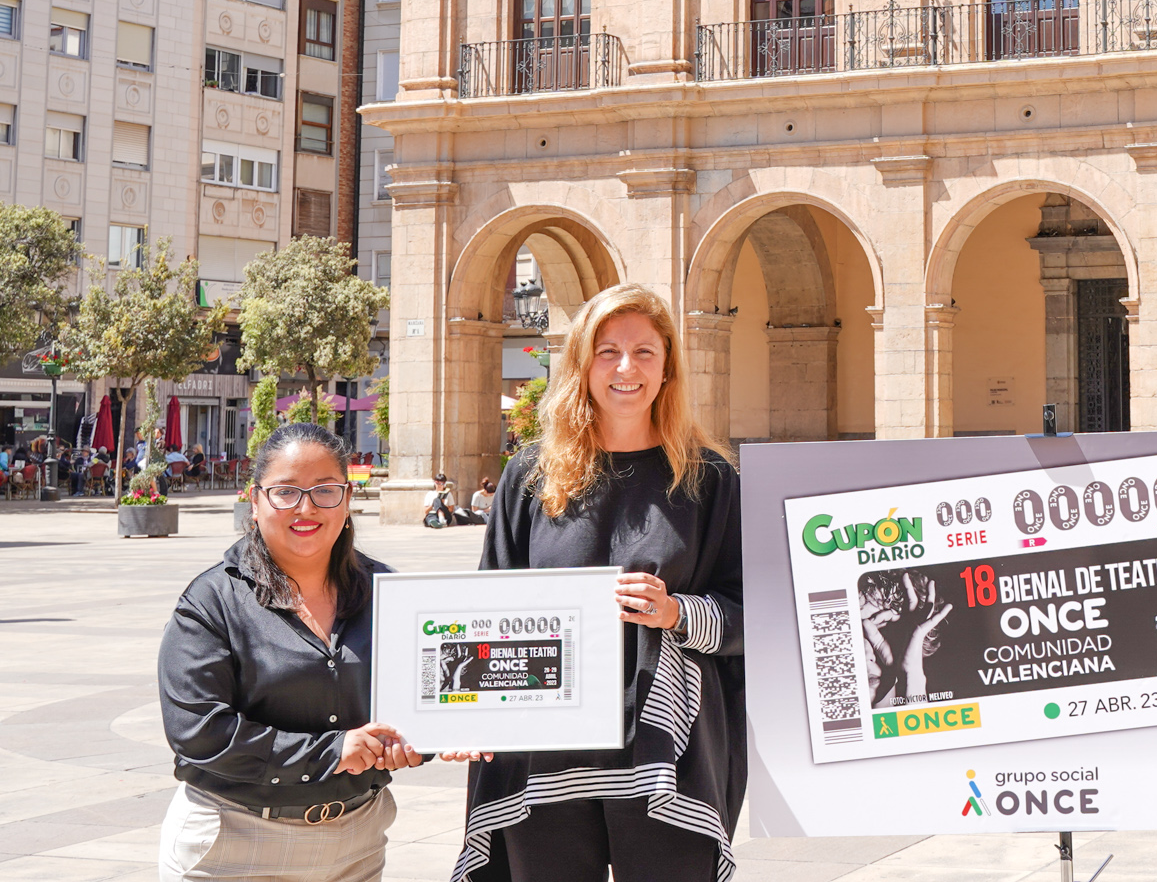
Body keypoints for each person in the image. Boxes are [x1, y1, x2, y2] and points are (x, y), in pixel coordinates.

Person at [456, 283, 742, 882]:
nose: (626, 367)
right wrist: (466, 714)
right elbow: (485, 609)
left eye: (644, 352)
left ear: (667, 369)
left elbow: (753, 614)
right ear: (582, 366)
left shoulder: (710, 477)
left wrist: (678, 613)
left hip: (667, 752)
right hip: (542, 752)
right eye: (607, 351)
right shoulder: (530, 474)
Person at [156, 420, 488, 881]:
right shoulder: (212, 601)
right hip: (233, 844)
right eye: (286, 491)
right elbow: (198, 732)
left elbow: (425, 695)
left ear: (347, 500)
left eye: (325, 490)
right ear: (254, 502)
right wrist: (332, 752)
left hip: (356, 844)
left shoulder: (390, 593)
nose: (306, 507)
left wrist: (430, 737)